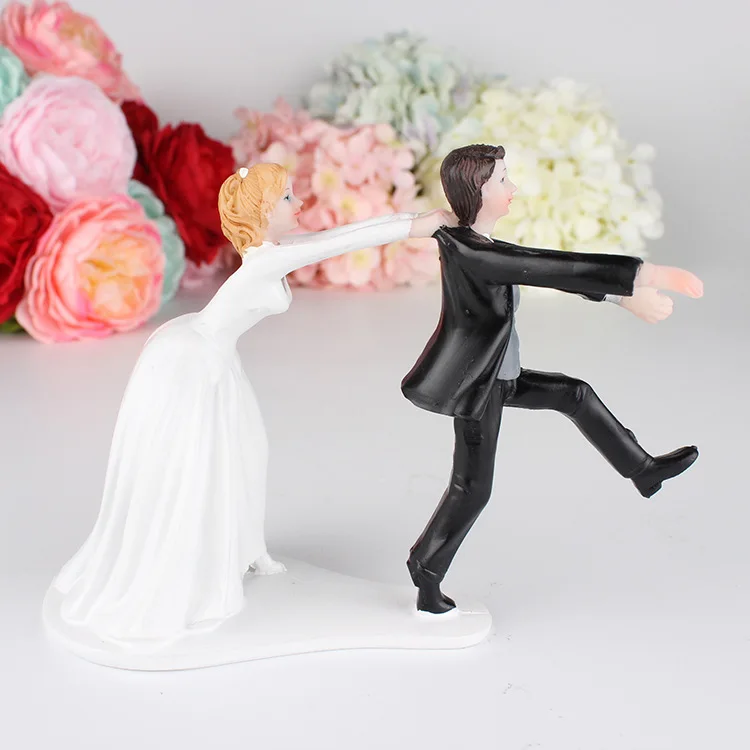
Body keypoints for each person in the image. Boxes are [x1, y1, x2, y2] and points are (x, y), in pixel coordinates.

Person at [46, 162, 451, 647]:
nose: (299, 204)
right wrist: (418, 227)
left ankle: (247, 548)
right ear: (262, 211)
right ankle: (186, 563)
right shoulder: (265, 261)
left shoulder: (273, 251)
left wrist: (418, 221)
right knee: (199, 462)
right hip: (195, 359)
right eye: (287, 198)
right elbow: (341, 244)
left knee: (248, 451)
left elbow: (340, 234)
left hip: (216, 355)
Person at [401, 144, 704, 614]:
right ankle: (426, 569)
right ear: (478, 191)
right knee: (472, 488)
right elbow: (547, 266)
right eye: (503, 180)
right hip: (478, 386)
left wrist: (622, 299)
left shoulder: (481, 244)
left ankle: (643, 470)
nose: (514, 188)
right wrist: (645, 274)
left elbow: (544, 272)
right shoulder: (468, 249)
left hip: (501, 374)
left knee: (573, 394)